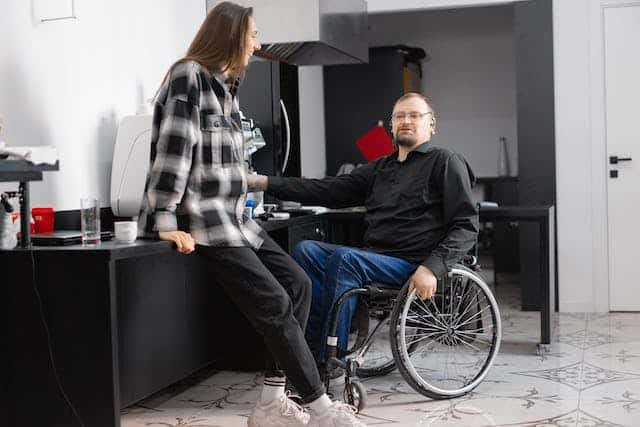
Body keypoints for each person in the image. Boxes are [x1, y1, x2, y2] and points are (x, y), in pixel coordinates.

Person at [138, 2, 366, 426]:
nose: (258, 44)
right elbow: (173, 154)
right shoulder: (189, 77)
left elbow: (229, 166)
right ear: (230, 35)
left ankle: (269, 403)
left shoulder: (227, 88)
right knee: (276, 301)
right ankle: (321, 409)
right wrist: (166, 223)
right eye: (254, 34)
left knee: (298, 284)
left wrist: (253, 186)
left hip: (237, 220)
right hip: (205, 222)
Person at [248, 92, 479, 365]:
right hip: (377, 259)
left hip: (415, 263)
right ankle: (309, 350)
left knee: (346, 259)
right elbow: (325, 189)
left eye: (415, 115)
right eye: (399, 116)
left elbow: (466, 224)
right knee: (307, 250)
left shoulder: (444, 161)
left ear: (431, 124)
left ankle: (326, 360)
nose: (406, 120)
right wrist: (263, 182)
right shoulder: (380, 168)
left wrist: (432, 267)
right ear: (391, 126)